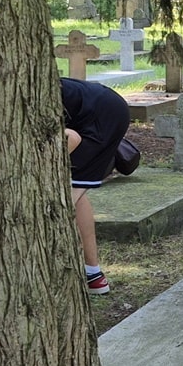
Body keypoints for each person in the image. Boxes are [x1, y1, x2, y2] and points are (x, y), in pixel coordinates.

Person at [61, 76, 132, 294]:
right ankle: (94, 276)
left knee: (60, 201)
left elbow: (71, 138)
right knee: (75, 192)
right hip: (107, 106)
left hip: (101, 116)